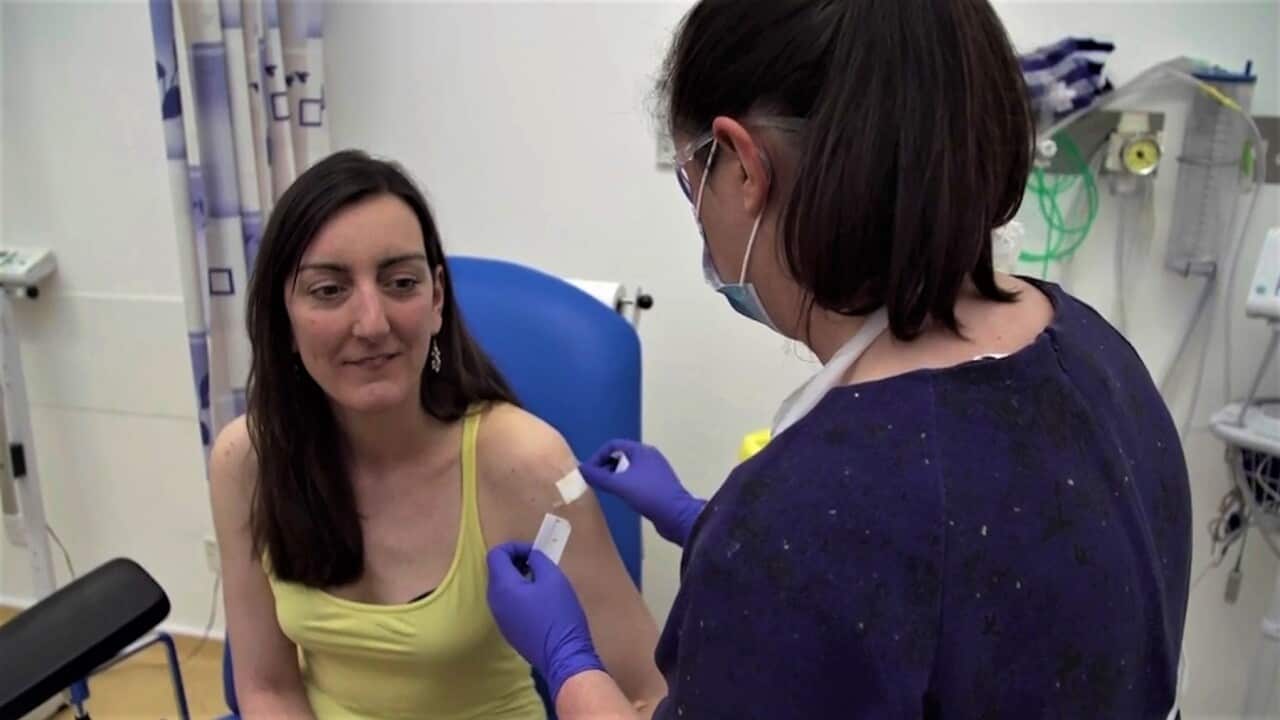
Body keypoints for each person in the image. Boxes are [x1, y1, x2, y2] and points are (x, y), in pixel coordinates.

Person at [484, 1, 1192, 718]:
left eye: (691, 180)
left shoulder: (797, 526)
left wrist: (568, 662)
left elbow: (879, 561)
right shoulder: (1100, 355)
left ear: (743, 166)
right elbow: (978, 600)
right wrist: (706, 524)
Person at [208, 150, 666, 719]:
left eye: (401, 283)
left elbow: (649, 692)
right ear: (284, 315)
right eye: (329, 290)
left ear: (437, 299)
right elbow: (267, 687)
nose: (372, 323)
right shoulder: (247, 460)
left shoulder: (521, 463)